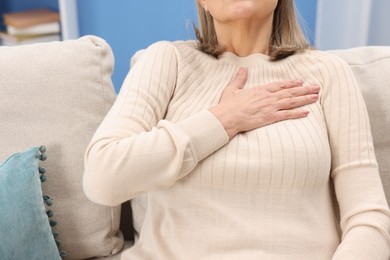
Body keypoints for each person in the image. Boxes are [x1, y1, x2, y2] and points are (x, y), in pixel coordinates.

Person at [83, 0, 390, 259]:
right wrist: (224, 119)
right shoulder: (167, 60)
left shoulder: (327, 72)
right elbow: (102, 177)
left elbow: (368, 217)